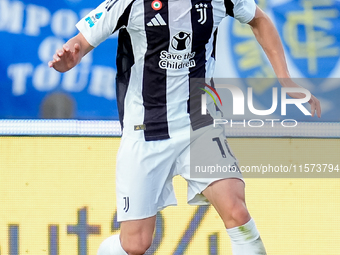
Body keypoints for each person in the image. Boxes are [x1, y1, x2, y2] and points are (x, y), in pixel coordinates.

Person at [49, 0, 321, 254]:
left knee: (236, 211)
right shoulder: (130, 3)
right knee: (136, 244)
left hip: (200, 123)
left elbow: (259, 20)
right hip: (145, 128)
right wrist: (70, 56)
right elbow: (82, 41)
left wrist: (286, 80)